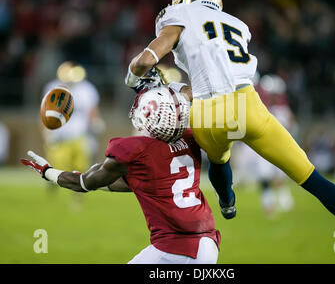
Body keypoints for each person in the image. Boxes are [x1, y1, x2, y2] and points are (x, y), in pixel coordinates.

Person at [124, 0, 335, 260]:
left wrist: (132, 74)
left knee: (220, 159)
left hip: (209, 111)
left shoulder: (178, 15)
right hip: (249, 104)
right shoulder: (237, 24)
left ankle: (227, 202)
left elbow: (147, 61)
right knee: (313, 179)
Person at [21, 86, 220, 264]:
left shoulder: (139, 149)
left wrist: (48, 172)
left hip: (175, 247)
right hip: (208, 242)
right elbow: (133, 183)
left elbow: (85, 182)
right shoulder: (191, 137)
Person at [232, 75, 296, 216]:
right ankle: (270, 206)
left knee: (278, 177)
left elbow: (289, 126)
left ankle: (285, 202)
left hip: (279, 146)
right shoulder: (263, 108)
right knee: (265, 177)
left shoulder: (281, 111)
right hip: (264, 147)